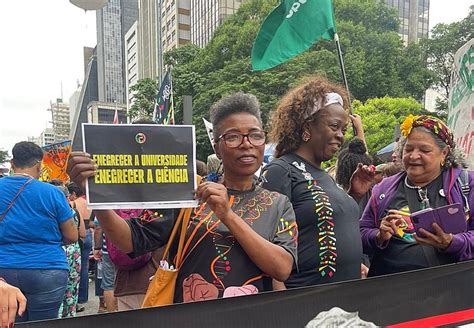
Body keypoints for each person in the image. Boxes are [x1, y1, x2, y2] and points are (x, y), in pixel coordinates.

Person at [67, 92, 297, 303]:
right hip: (189, 318)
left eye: (255, 136)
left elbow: (282, 268)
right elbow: (130, 240)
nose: (246, 144)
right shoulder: (188, 195)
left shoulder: (277, 203)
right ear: (217, 147)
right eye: (233, 137)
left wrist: (227, 216)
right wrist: (96, 195)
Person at [262, 76, 374, 288]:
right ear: (307, 127)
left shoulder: (324, 176)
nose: (340, 136)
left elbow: (324, 221)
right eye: (334, 126)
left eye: (344, 130)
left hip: (342, 301)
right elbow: (267, 243)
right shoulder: (281, 170)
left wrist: (353, 195)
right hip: (304, 302)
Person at [360, 115, 474, 276]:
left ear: (444, 153)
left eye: (424, 150)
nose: (413, 156)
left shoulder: (466, 185)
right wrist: (378, 236)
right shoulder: (383, 189)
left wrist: (452, 242)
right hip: (390, 293)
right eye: (408, 149)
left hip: (450, 293)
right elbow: (361, 233)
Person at [0, 141, 78, 322]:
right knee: (43, 323)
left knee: (9, 322)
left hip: (4, 270)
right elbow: (72, 236)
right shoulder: (52, 193)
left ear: (12, 163)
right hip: (47, 268)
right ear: (39, 165)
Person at [53, 183, 84, 318]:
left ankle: (57, 317)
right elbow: (82, 233)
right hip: (74, 252)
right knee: (72, 288)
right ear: (67, 197)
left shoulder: (49, 211)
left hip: (57, 251)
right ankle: (70, 317)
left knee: (56, 290)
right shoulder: (73, 211)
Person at [67, 182, 92, 312]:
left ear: (73, 193)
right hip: (89, 234)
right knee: (84, 268)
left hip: (78, 235)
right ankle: (83, 298)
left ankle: (74, 300)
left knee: (74, 270)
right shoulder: (88, 202)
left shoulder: (73, 204)